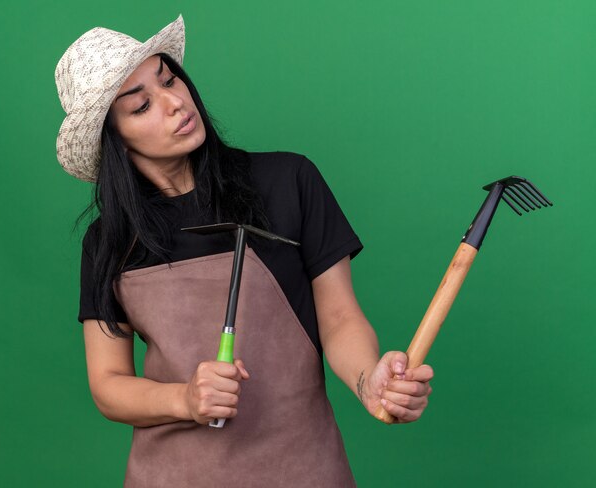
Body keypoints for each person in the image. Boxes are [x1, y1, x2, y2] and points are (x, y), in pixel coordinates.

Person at [55, 14, 434, 488]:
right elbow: (108, 385)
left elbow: (338, 319)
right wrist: (186, 400)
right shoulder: (109, 240)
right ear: (116, 141)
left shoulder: (288, 182)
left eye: (170, 79)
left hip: (303, 469)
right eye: (141, 106)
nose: (175, 103)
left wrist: (368, 381)